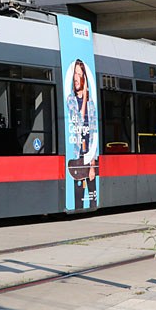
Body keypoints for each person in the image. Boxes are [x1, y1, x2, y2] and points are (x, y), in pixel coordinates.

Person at [67, 59, 98, 208]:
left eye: (79, 74)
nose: (76, 78)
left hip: (89, 156)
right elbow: (78, 121)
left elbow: (93, 131)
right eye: (75, 74)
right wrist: (84, 97)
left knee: (93, 199)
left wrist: (93, 165)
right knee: (78, 200)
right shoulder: (71, 100)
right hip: (77, 157)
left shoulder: (92, 103)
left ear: (84, 78)